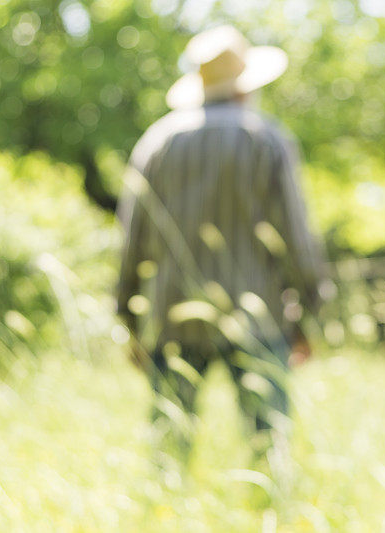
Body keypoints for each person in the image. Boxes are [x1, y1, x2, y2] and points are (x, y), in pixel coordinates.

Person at [116, 25, 326, 450]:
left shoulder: (157, 143)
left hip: (171, 313)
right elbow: (296, 239)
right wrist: (310, 313)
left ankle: (162, 514)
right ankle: (269, 513)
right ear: (246, 88)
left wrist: (129, 321)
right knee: (268, 444)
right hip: (259, 314)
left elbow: (129, 243)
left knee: (169, 446)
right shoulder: (266, 139)